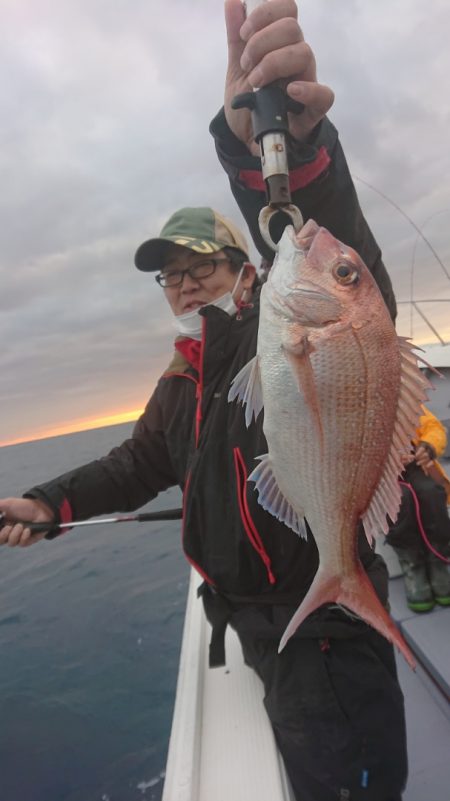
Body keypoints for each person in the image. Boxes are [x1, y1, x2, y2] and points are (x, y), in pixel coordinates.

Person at [0, 2, 407, 799]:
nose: (184, 282)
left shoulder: (277, 325)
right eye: (170, 274)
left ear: (246, 267)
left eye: (200, 263)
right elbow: (139, 461)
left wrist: (275, 149)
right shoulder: (183, 377)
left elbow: (347, 279)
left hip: (322, 630)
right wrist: (49, 503)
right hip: (248, 622)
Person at [386, 406, 450, 612]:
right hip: (382, 477)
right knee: (400, 502)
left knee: (432, 494)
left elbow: (433, 427)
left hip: (417, 467)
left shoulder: (405, 400)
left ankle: (438, 561)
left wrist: (428, 446)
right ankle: (413, 566)